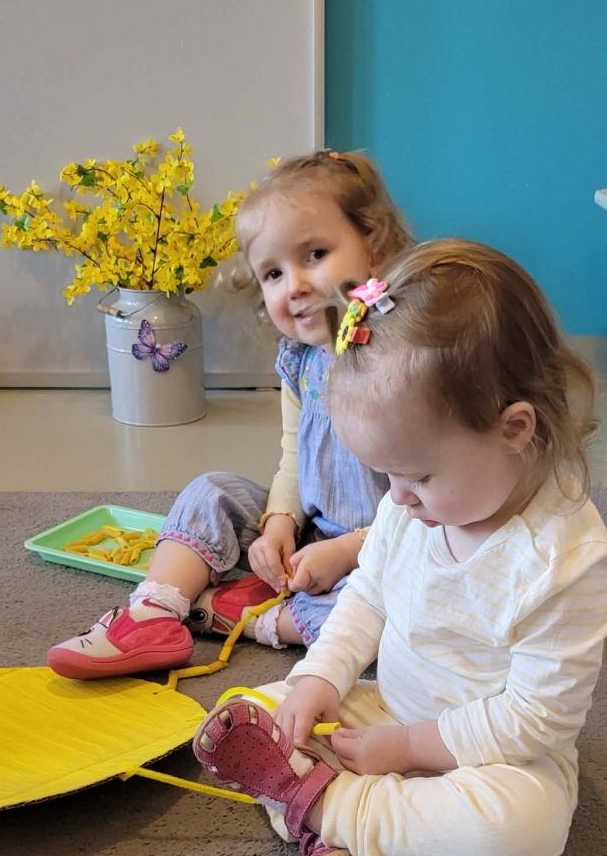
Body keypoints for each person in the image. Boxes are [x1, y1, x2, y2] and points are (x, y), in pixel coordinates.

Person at [192, 240, 607, 856]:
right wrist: (319, 679)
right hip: (385, 708)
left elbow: (536, 720)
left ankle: (329, 812)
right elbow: (368, 597)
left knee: (525, 832)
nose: (397, 498)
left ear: (514, 429)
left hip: (496, 757)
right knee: (250, 713)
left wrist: (411, 749)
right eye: (386, 475)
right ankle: (380, 842)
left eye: (417, 476)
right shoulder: (407, 507)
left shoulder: (566, 558)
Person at [48, 151, 414, 679]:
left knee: (404, 619)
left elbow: (428, 506)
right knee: (212, 489)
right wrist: (280, 522)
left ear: (375, 250)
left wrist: (349, 551)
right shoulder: (301, 360)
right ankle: (153, 612)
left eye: (315, 254)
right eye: (273, 273)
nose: (294, 285)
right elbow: (294, 459)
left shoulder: (403, 358)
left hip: (393, 547)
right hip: (314, 539)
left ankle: (247, 617)